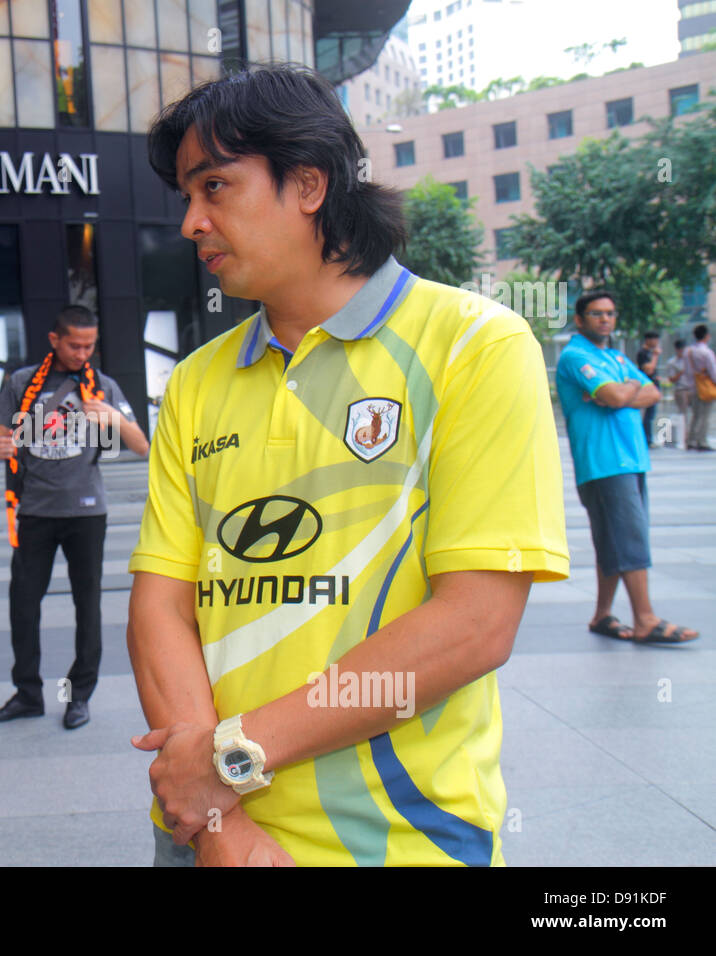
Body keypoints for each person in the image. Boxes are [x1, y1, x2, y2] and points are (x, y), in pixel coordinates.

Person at [127, 65, 570, 866]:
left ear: (308, 183)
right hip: (204, 830)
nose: (191, 223)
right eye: (186, 198)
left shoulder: (475, 347)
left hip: (398, 840)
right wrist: (220, 824)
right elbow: (162, 606)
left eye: (215, 187)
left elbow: (475, 624)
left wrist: (231, 760)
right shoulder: (194, 382)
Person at [0, 306, 149, 730]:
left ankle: (79, 696)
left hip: (87, 512)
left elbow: (142, 445)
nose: (82, 352)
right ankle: (28, 694)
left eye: (90, 345)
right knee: (23, 604)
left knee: (87, 605)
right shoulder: (21, 383)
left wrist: (110, 418)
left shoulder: (100, 386)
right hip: (34, 509)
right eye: (75, 344)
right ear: (55, 340)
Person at [555, 292, 698, 645]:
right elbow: (621, 398)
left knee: (612, 539)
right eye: (596, 313)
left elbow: (651, 392)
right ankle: (645, 619)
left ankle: (602, 614)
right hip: (604, 462)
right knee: (629, 536)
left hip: (631, 458)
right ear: (580, 319)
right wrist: (624, 391)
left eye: (610, 313)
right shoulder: (575, 356)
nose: (605, 319)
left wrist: (622, 389)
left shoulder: (615, 357)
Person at [681, 324, 716, 451]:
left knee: (695, 415)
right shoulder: (707, 352)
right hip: (705, 388)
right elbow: (713, 372)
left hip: (692, 386)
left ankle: (691, 440)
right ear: (706, 336)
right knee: (704, 416)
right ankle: (702, 441)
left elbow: (686, 370)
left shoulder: (687, 351)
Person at [635, 331, 661, 447]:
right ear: (649, 340)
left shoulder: (648, 352)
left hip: (652, 384)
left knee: (650, 413)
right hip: (647, 387)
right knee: (648, 414)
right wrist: (655, 356)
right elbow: (648, 369)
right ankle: (647, 439)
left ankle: (647, 438)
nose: (656, 343)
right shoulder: (643, 353)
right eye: (655, 340)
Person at [664, 338, 690, 446]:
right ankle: (682, 437)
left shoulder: (690, 360)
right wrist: (681, 373)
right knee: (682, 415)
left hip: (692, 389)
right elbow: (671, 379)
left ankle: (691, 437)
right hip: (680, 389)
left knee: (695, 415)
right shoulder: (672, 362)